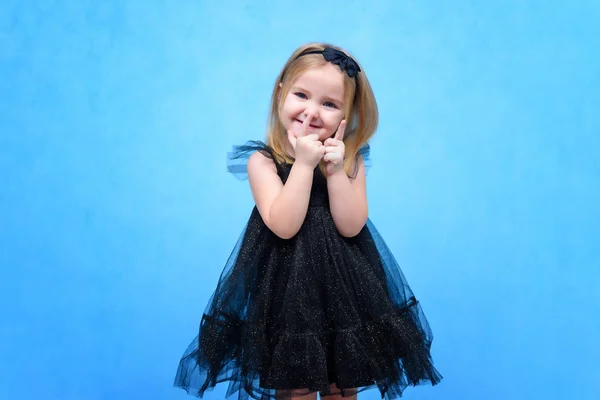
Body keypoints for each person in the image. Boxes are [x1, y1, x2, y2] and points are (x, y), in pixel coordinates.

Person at [174, 43, 442, 400]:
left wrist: (334, 173)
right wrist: (302, 165)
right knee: (295, 383)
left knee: (342, 384)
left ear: (348, 114)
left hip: (344, 291)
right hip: (287, 290)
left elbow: (351, 225)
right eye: (302, 95)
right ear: (281, 91)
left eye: (329, 104)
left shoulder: (350, 162)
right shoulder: (263, 161)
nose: (312, 112)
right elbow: (284, 224)